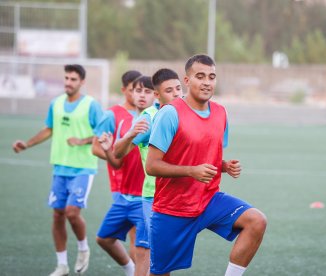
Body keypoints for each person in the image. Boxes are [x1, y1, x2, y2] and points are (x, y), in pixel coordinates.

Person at [145, 54, 267, 276]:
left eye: (212, 77)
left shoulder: (220, 113)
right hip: (173, 208)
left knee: (256, 221)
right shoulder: (170, 114)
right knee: (160, 273)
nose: (207, 82)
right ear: (187, 80)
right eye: (200, 76)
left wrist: (224, 166)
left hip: (208, 199)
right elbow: (152, 166)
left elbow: (202, 156)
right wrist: (191, 171)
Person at [12, 64, 103, 276]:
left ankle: (83, 249)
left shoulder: (91, 105)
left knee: (72, 212)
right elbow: (49, 129)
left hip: (83, 168)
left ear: (82, 82)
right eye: (66, 78)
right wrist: (27, 144)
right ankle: (61, 265)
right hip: (60, 167)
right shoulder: (56, 103)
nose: (68, 82)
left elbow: (104, 133)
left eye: (73, 79)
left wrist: (82, 140)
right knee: (57, 215)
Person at [113, 68, 183, 248]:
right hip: (155, 196)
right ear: (157, 95)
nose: (176, 94)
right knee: (156, 251)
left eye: (178, 88)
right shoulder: (149, 118)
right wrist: (129, 135)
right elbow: (118, 152)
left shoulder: (187, 113)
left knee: (170, 252)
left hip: (182, 194)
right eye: (169, 91)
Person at [95, 75, 155, 276]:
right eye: (138, 90)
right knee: (103, 238)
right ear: (131, 92)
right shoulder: (126, 124)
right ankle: (130, 270)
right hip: (124, 197)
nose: (142, 95)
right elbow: (117, 162)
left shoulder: (156, 120)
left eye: (147, 91)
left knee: (141, 249)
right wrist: (106, 149)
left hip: (145, 198)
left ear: (155, 95)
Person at [91, 70, 142, 264]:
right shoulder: (113, 114)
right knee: (134, 236)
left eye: (143, 90)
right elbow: (96, 147)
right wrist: (115, 156)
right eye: (133, 90)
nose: (138, 94)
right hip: (122, 184)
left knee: (139, 238)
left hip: (142, 183)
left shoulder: (148, 114)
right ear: (125, 90)